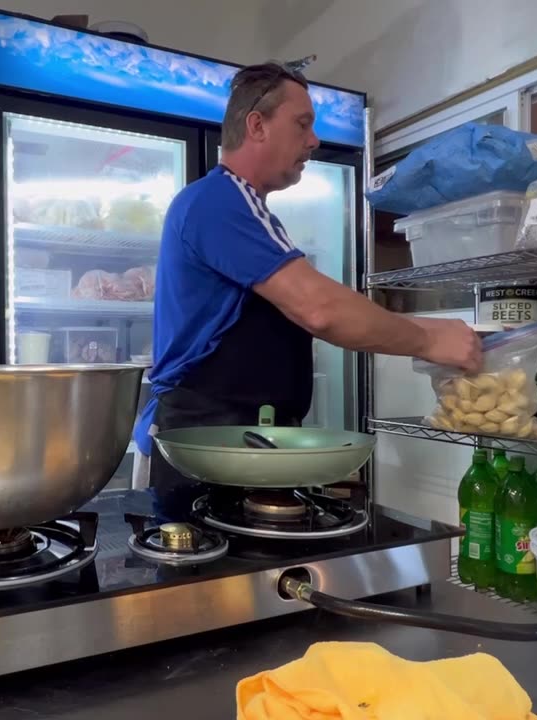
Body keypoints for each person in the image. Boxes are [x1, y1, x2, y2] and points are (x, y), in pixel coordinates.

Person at [135, 62, 482, 519]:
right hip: (210, 449)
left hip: (236, 444)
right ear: (256, 125)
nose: (314, 140)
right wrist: (433, 338)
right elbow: (319, 308)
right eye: (302, 124)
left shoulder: (245, 210)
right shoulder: (219, 200)